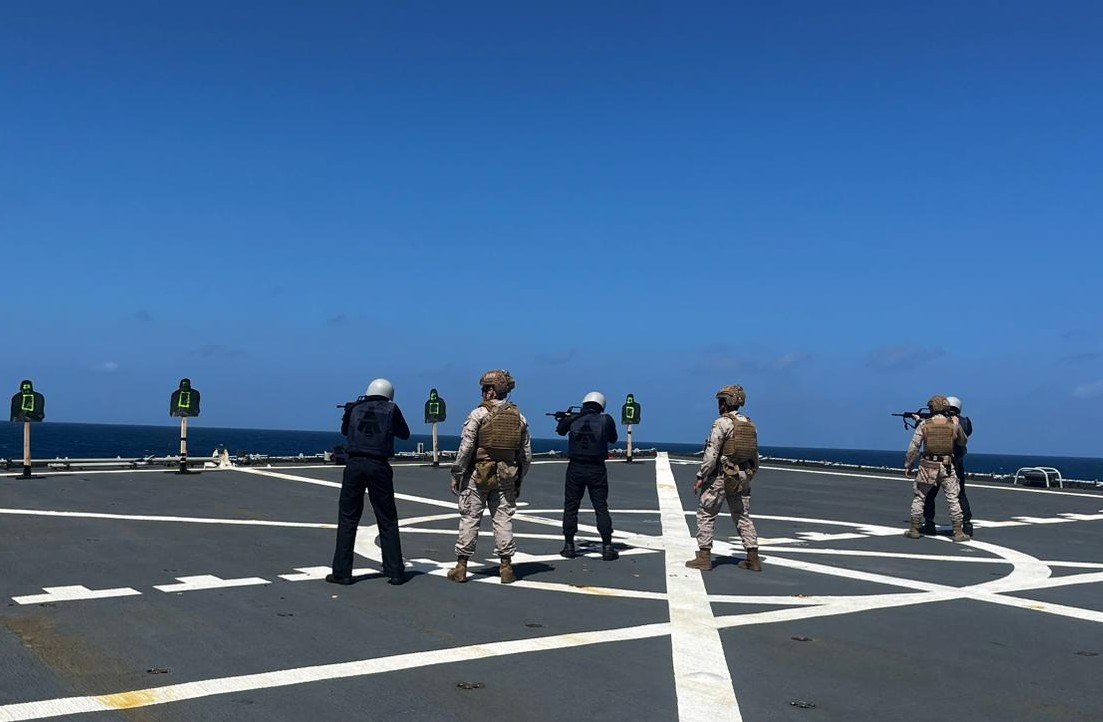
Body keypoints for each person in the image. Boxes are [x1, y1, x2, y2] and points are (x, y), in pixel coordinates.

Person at [446, 370, 532, 584]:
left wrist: (457, 474)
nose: (483, 392)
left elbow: (465, 448)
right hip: (506, 475)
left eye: (485, 389)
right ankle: (506, 568)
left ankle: (461, 566)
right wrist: (519, 479)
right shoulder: (519, 417)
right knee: (503, 519)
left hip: (478, 474)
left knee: (470, 517)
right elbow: (526, 455)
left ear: (491, 392)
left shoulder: (478, 414)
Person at [328, 378, 411, 586]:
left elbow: (345, 431)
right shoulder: (392, 409)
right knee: (387, 519)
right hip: (379, 466)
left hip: (354, 465)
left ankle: (342, 572)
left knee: (348, 519)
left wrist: (350, 412)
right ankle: (395, 572)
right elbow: (405, 434)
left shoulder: (355, 408)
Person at [685, 385, 763, 573]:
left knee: (706, 513)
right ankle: (753, 557)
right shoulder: (750, 424)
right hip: (742, 476)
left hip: (722, 475)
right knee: (742, 515)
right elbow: (754, 455)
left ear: (726, 402)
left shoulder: (721, 423)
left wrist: (701, 476)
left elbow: (711, 454)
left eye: (721, 401)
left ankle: (704, 557)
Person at [555, 392, 620, 561]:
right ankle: (607, 547)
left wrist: (566, 418)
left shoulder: (574, 419)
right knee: (600, 507)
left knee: (570, 507)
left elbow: (560, 431)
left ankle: (568, 546)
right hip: (596, 468)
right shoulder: (606, 420)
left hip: (575, 467)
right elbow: (613, 439)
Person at [904, 395, 970, 542]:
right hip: (947, 466)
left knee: (920, 497)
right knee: (953, 499)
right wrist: (957, 425)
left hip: (928, 466)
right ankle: (958, 532)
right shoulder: (952, 424)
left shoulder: (924, 424)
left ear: (932, 408)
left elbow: (914, 447)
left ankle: (914, 528)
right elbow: (963, 441)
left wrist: (909, 465)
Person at [921, 395, 974, 536]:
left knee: (930, 494)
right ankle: (967, 524)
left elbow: (927, 432)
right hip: (957, 463)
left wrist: (919, 421)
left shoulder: (940, 422)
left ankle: (929, 523)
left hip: (937, 464)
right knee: (959, 494)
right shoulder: (965, 422)